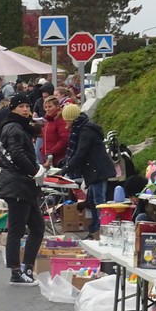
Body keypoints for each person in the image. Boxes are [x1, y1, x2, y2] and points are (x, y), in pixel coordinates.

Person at [0, 92, 43, 286]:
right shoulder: (13, 127)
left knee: (38, 227)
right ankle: (16, 272)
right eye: (21, 106)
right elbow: (16, 154)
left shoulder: (21, 127)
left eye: (27, 106)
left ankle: (27, 268)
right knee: (17, 229)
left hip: (23, 185)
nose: (25, 109)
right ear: (13, 108)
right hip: (17, 183)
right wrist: (34, 171)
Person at [60, 103, 116, 240]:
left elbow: (80, 153)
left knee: (98, 202)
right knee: (92, 201)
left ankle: (99, 231)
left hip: (97, 170)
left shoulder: (85, 132)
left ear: (72, 119)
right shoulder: (81, 129)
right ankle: (95, 229)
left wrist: (65, 169)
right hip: (94, 170)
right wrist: (64, 164)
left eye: (66, 119)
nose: (65, 122)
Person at [41, 95, 71, 166]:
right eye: (46, 107)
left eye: (50, 106)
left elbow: (65, 139)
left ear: (57, 106)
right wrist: (42, 150)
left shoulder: (60, 120)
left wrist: (52, 152)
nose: (47, 109)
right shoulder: (48, 121)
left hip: (58, 158)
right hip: (49, 158)